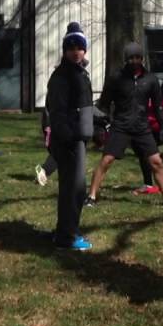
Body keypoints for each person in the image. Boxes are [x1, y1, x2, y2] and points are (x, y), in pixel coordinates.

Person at [86, 43, 163, 209]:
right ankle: (91, 196)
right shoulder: (116, 78)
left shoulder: (150, 79)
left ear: (142, 58)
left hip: (141, 126)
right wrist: (100, 123)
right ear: (126, 60)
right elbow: (104, 102)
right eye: (131, 58)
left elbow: (158, 104)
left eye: (137, 58)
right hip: (120, 125)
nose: (134, 61)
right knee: (107, 160)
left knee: (156, 162)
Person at [46, 23, 95, 250]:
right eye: (71, 47)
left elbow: (83, 106)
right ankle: (66, 236)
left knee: (77, 189)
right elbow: (57, 111)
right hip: (68, 141)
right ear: (65, 50)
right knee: (72, 190)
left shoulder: (79, 73)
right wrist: (68, 138)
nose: (76, 51)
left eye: (80, 47)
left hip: (78, 139)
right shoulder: (62, 76)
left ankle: (67, 231)